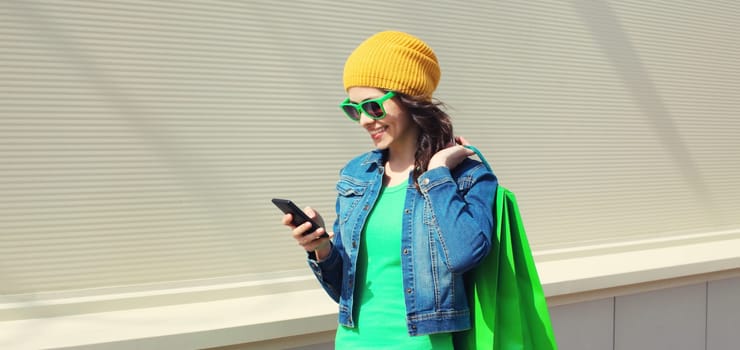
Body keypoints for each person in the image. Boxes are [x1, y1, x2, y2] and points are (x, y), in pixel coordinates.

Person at [281, 31, 497, 349]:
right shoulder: (357, 175)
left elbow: (464, 255)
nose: (364, 121)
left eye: (374, 107)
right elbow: (345, 288)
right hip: (354, 342)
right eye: (354, 109)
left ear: (411, 100)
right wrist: (321, 248)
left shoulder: (466, 177)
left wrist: (437, 172)